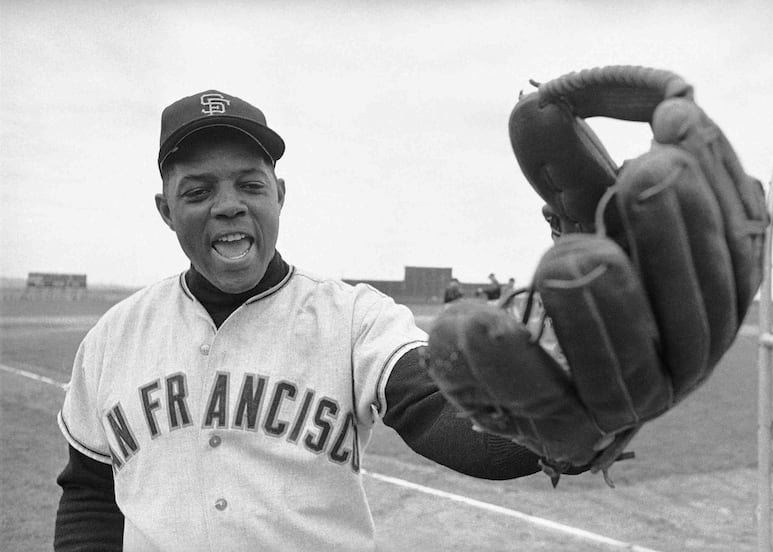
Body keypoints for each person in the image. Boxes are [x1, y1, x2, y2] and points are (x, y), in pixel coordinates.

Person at [53, 90, 541, 552]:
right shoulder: (112, 338)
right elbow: (90, 494)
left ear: (279, 195)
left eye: (250, 185)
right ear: (166, 210)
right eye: (198, 191)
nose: (229, 206)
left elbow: (445, 414)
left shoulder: (354, 319)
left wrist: (585, 393)